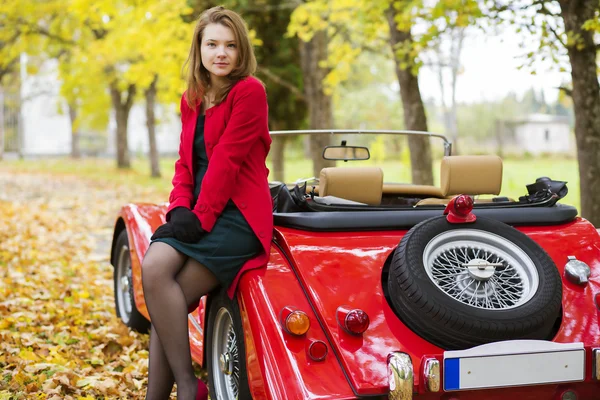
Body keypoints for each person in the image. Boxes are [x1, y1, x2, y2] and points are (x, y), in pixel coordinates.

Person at [140, 6, 273, 400]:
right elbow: (186, 163)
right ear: (198, 48)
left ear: (241, 50)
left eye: (230, 46)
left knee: (171, 298)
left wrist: (199, 218)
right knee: (154, 269)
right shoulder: (193, 98)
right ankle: (185, 388)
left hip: (237, 218)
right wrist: (179, 209)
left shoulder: (250, 92)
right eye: (212, 44)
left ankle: (184, 388)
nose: (221, 53)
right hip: (198, 212)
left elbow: (226, 162)